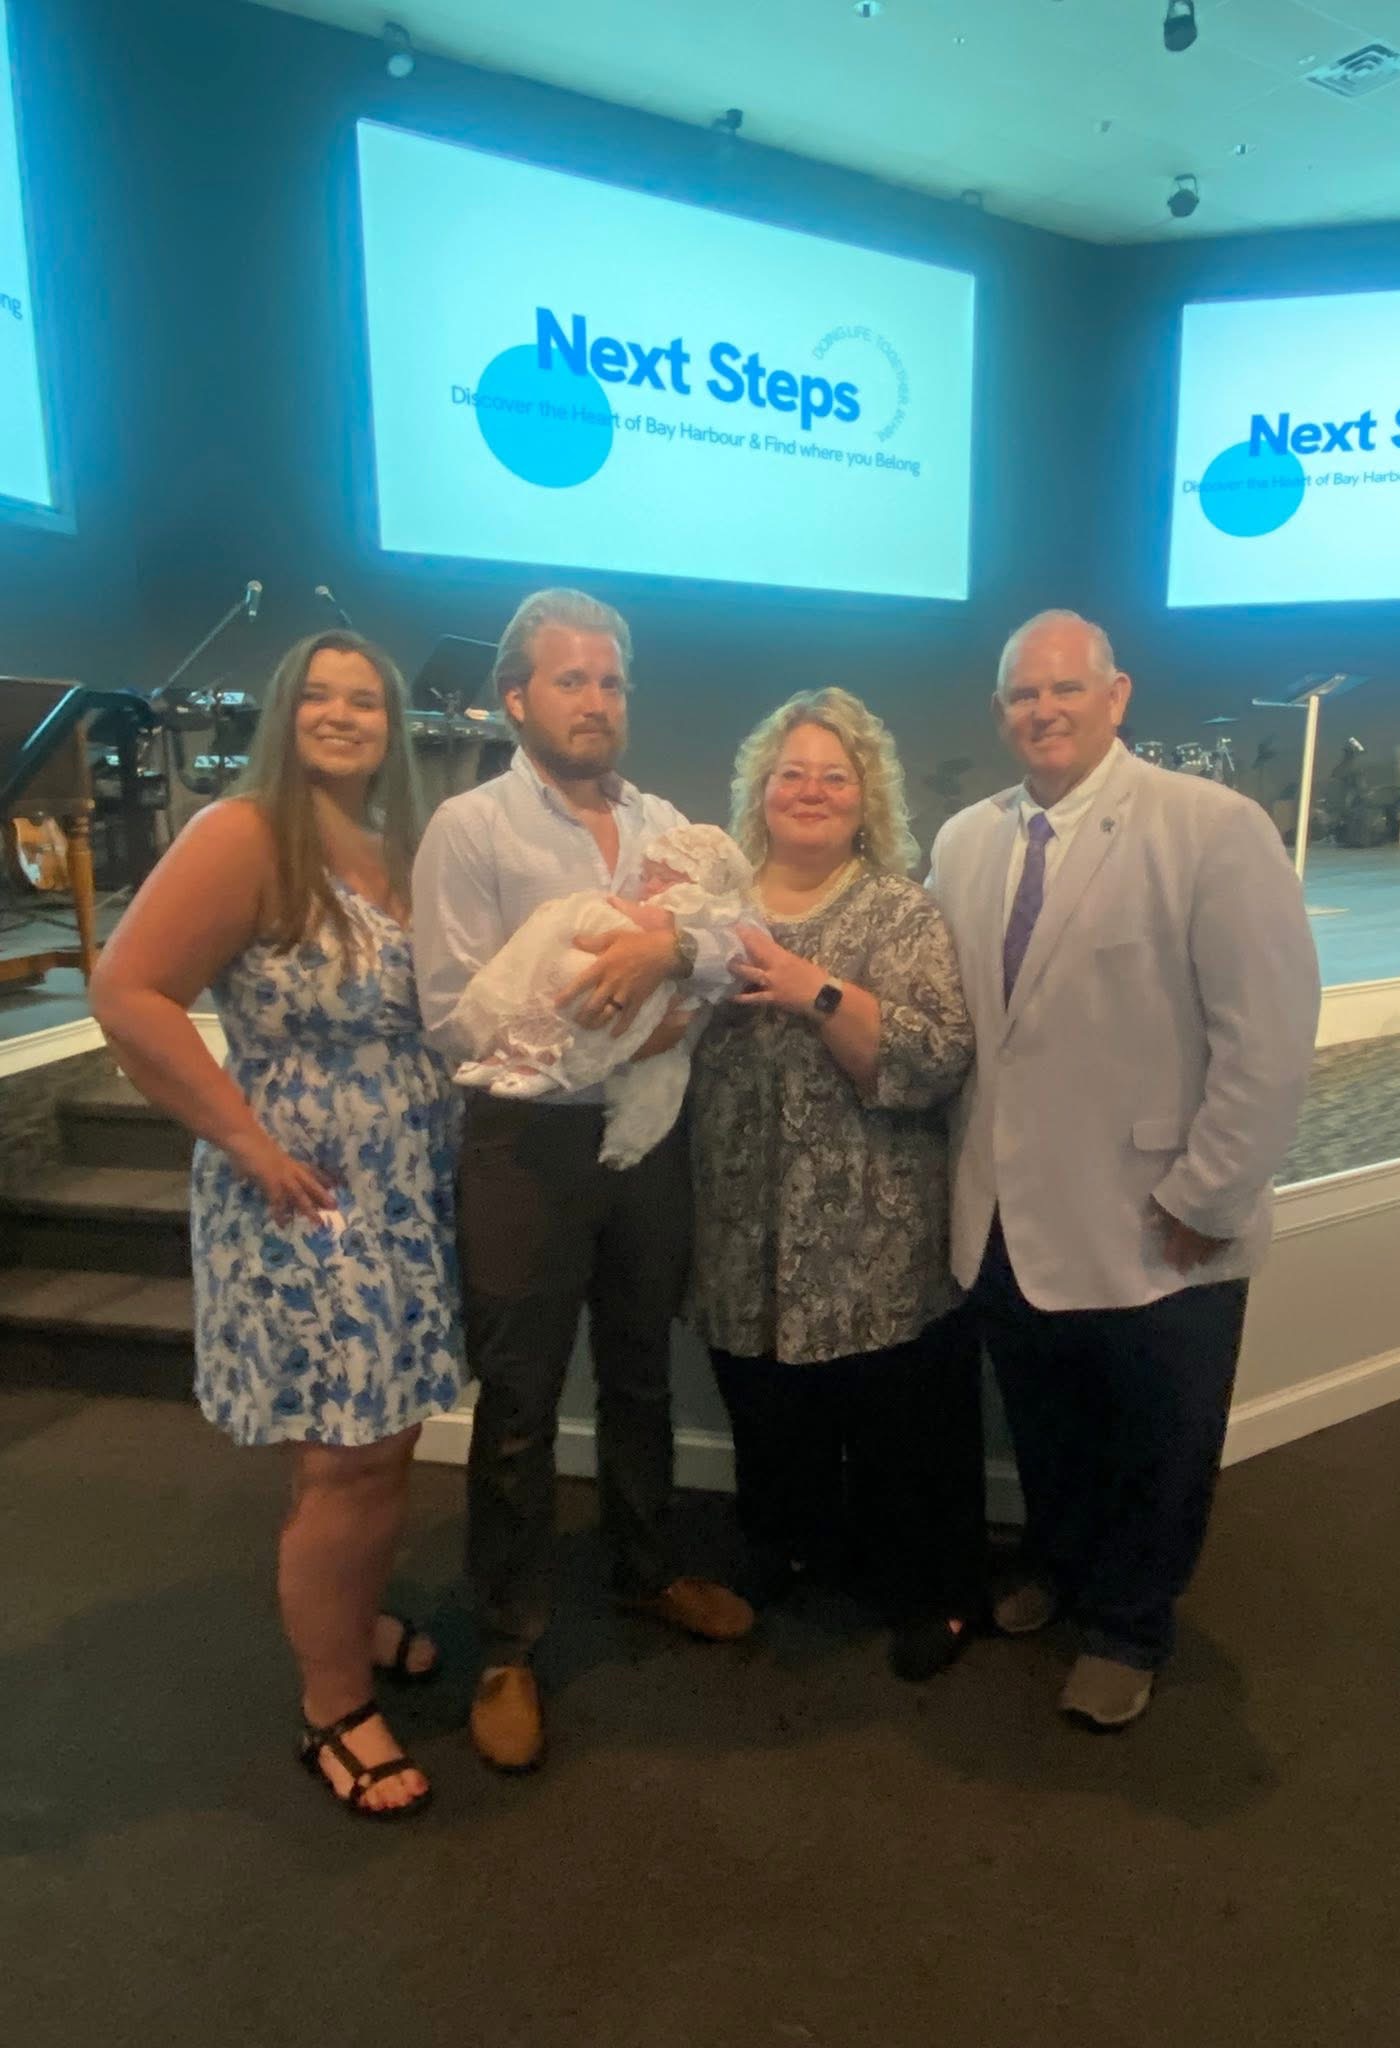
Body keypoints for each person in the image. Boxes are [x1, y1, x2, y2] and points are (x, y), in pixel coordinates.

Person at [89, 630, 464, 1819]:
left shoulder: (394, 843)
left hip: (407, 1185)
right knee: (343, 1452)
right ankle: (332, 1705)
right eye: (318, 696)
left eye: (366, 699)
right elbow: (126, 990)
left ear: (394, 725)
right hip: (311, 1190)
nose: (342, 715)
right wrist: (243, 1138)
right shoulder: (244, 832)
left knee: (387, 1435)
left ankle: (349, 1619)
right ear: (282, 713)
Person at [929, 610, 1320, 1731]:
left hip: (1161, 1216)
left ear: (1117, 696)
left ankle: (1131, 1625)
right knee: (1047, 1422)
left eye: (1066, 688)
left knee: (1160, 1439)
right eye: (1022, 694)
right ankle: (1059, 1565)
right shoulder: (963, 843)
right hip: (1006, 1215)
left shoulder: (1212, 827)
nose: (1043, 710)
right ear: (999, 711)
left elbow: (1269, 1035)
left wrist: (1211, 1193)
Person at [412, 588, 753, 1777]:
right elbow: (456, 1018)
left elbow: (733, 945)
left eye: (611, 681)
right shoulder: (471, 829)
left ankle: (645, 1568)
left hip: (647, 1138)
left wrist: (672, 953)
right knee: (517, 1398)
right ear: (516, 698)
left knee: (640, 1368)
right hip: (528, 1145)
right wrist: (629, 1030)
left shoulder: (668, 826)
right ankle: (507, 1642)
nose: (596, 700)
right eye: (571, 680)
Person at [690, 687, 984, 1681]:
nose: (811, 791)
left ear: (868, 799)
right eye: (792, 774)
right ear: (760, 790)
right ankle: (790, 1545)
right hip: (741, 1222)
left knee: (900, 1425)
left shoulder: (900, 909)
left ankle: (930, 1590)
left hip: (873, 1232)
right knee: (768, 1409)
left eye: (835, 776)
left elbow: (935, 1056)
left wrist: (812, 988)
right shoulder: (712, 911)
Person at [452, 822, 755, 1168]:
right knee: (553, 971)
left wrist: (659, 936)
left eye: (666, 880)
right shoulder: (477, 818)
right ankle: (509, 1049)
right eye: (647, 876)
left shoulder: (701, 906)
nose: (651, 886)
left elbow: (733, 949)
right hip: (522, 1124)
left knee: (589, 1001)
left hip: (657, 1001)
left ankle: (550, 1060)